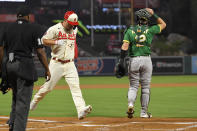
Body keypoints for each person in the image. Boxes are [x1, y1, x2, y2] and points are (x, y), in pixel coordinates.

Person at [30, 11, 92, 120]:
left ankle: (81, 110)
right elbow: (43, 40)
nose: (72, 26)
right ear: (65, 20)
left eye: (74, 24)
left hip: (70, 64)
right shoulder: (54, 29)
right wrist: (56, 42)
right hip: (56, 63)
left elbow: (73, 43)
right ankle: (35, 100)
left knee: (75, 88)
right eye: (71, 24)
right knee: (48, 88)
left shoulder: (74, 29)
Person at [0, 6, 51, 131]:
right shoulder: (34, 28)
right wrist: (47, 68)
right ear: (28, 16)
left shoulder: (8, 27)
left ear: (17, 16)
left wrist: (3, 68)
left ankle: (12, 124)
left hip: (10, 65)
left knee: (16, 97)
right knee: (23, 102)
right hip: (24, 66)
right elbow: (40, 51)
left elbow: (1, 48)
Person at [116, 8, 166, 118]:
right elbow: (163, 24)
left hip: (134, 60)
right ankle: (143, 113)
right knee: (145, 88)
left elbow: (124, 46)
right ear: (147, 19)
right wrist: (154, 14)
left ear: (137, 19)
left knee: (133, 86)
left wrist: (121, 61)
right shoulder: (151, 30)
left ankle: (130, 105)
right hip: (146, 60)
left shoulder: (130, 30)